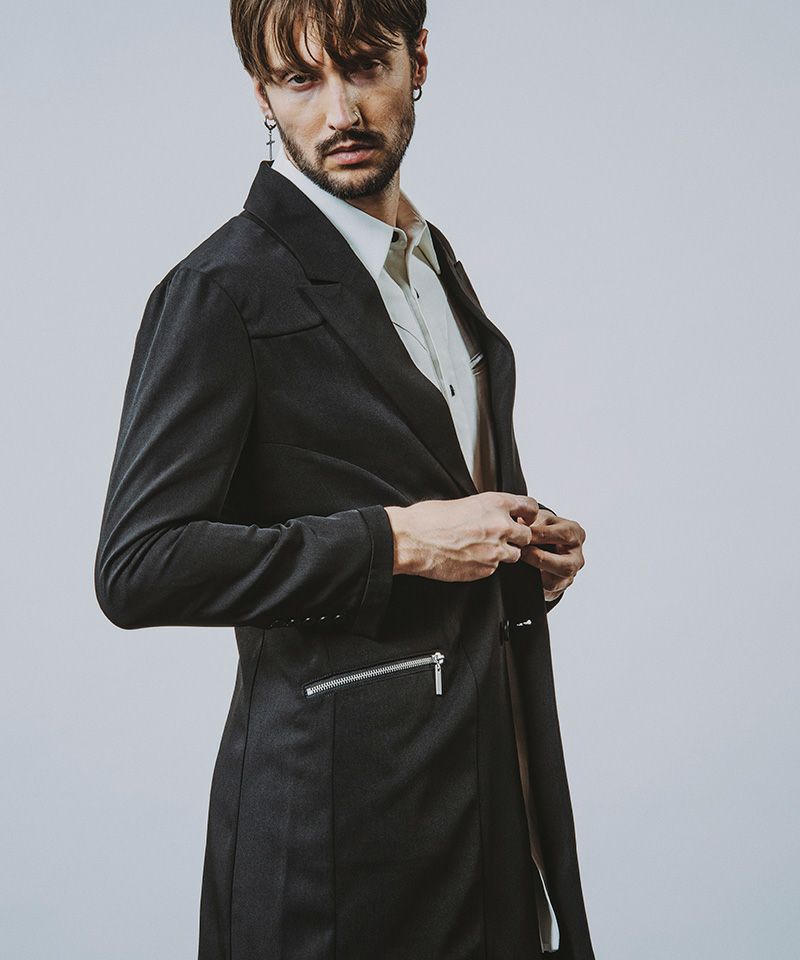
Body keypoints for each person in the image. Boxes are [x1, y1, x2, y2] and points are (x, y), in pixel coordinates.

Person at [94, 1, 594, 957]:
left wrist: (519, 549)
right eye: (300, 80)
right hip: (333, 847)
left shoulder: (433, 266)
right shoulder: (221, 291)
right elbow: (139, 566)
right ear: (261, 93)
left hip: (490, 804)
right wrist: (396, 540)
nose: (341, 112)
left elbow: (424, 480)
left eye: (365, 66)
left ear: (418, 61)